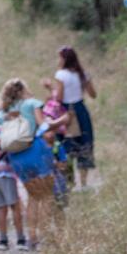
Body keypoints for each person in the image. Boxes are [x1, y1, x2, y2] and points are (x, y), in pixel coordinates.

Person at [0, 78, 67, 250]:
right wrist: (60, 122)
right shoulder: (32, 104)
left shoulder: (4, 112)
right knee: (47, 197)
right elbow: (44, 127)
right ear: (22, 91)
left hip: (17, 159)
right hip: (36, 152)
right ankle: (45, 237)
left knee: (33, 197)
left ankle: (32, 238)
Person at [42, 46, 97, 187]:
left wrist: (50, 88)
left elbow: (59, 97)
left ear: (64, 59)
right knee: (84, 142)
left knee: (66, 145)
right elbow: (93, 94)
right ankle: (84, 183)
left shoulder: (61, 75)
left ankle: (70, 182)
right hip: (80, 109)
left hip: (65, 111)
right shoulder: (82, 73)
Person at [0, 108, 26, 248]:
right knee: (14, 206)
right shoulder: (4, 127)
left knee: (2, 208)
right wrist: (9, 143)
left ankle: (3, 240)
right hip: (5, 172)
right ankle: (20, 240)